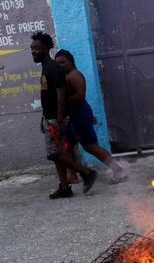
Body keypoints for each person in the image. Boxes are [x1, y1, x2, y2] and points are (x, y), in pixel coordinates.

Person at [30, 31, 97, 198]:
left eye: (36, 48)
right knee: (57, 156)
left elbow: (61, 95)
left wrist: (59, 120)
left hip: (56, 119)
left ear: (45, 49)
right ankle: (64, 187)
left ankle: (86, 172)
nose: (33, 52)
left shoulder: (53, 68)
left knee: (53, 153)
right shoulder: (46, 68)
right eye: (31, 49)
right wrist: (43, 118)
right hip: (49, 118)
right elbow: (48, 97)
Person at [54, 49, 128, 184]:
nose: (60, 65)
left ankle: (119, 171)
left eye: (63, 62)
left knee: (91, 147)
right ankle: (73, 175)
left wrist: (62, 101)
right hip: (75, 116)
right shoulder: (66, 76)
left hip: (79, 115)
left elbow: (80, 96)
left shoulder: (74, 75)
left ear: (71, 62)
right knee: (68, 146)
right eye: (57, 63)